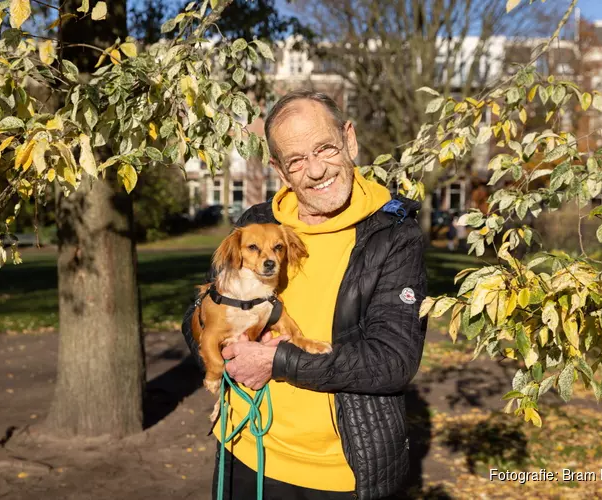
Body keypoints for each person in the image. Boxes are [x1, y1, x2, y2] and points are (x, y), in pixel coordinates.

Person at [181, 90, 428, 500]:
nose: (315, 170)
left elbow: (393, 361)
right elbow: (201, 311)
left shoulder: (392, 237)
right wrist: (223, 357)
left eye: (325, 148)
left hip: (340, 474)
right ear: (280, 170)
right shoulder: (257, 223)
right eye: (296, 160)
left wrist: (276, 361)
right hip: (244, 449)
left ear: (348, 139)